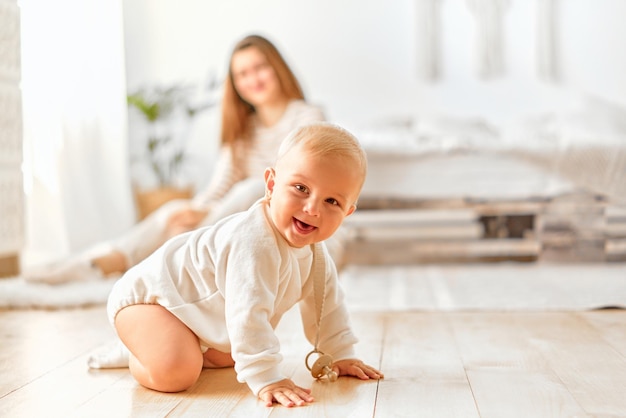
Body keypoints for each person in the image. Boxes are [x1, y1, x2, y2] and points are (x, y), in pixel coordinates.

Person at [106, 123, 383, 407]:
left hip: (194, 317)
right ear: (272, 185)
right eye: (301, 188)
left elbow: (326, 306)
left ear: (347, 212)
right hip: (150, 300)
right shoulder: (253, 242)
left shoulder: (316, 256)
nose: (312, 208)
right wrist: (266, 377)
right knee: (177, 372)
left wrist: (339, 353)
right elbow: (248, 312)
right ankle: (138, 352)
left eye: (332, 201)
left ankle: (174, 344)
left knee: (233, 351)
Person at [23, 34, 326, 284]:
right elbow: (221, 183)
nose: (252, 79)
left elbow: (299, 183)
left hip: (281, 217)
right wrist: (197, 209)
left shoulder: (307, 117)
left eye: (260, 67)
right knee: (175, 211)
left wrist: (206, 215)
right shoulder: (243, 129)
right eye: (242, 74)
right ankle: (98, 262)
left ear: (277, 68)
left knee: (250, 189)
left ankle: (112, 263)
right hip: (233, 215)